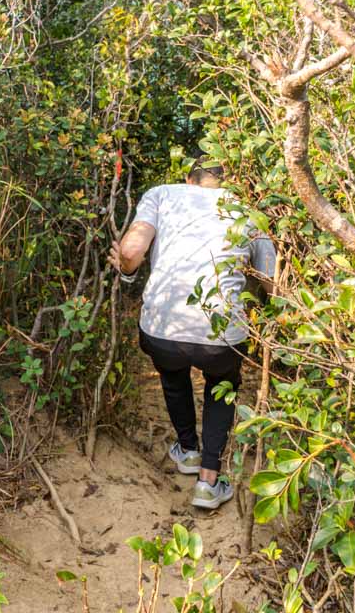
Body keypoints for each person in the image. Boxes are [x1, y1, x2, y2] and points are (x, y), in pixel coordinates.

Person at [108, 156, 276, 510]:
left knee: (172, 370)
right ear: (230, 180)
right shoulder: (248, 209)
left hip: (161, 329)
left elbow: (132, 250)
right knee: (221, 386)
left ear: (189, 179)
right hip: (221, 334)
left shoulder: (162, 194)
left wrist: (125, 272)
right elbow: (267, 280)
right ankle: (208, 482)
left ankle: (187, 451)